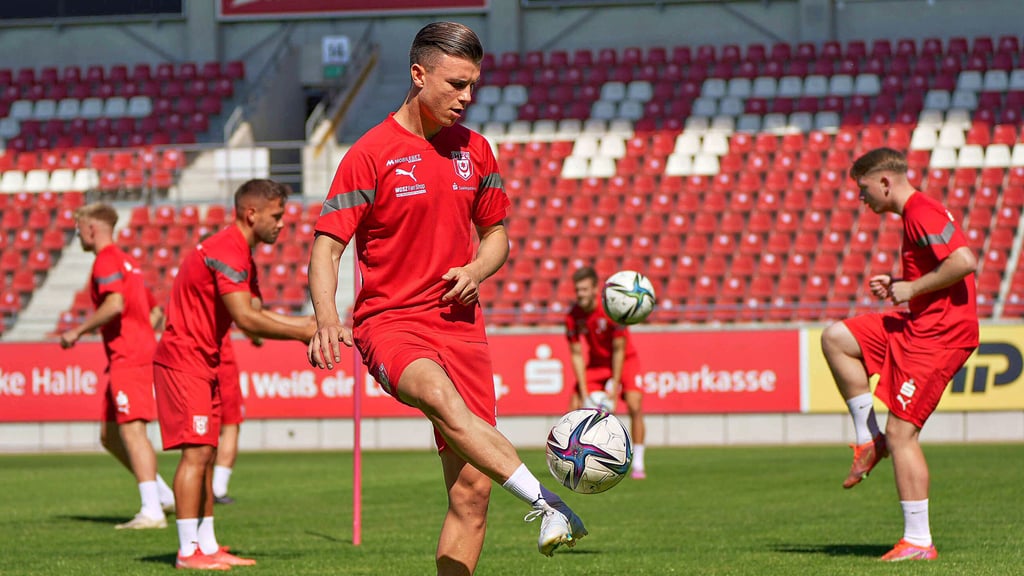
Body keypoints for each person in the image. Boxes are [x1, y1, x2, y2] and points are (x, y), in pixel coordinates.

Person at [307, 21, 586, 575]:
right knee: (438, 395)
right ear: (418, 75)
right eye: (457, 83)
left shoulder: (476, 150)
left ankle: (536, 504)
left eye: (473, 85)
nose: (467, 97)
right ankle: (547, 502)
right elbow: (327, 246)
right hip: (391, 323)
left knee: (471, 496)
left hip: (462, 328)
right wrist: (325, 318)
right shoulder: (370, 153)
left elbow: (498, 236)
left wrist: (477, 270)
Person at [821, 147, 978, 562]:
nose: (862, 197)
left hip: (940, 337)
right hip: (917, 327)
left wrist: (911, 288)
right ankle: (866, 436)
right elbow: (941, 270)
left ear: (885, 182)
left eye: (864, 188)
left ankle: (918, 542)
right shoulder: (914, 215)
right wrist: (899, 284)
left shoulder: (921, 210)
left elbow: (965, 260)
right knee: (837, 338)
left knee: (902, 434)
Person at [153, 179, 316, 570]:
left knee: (206, 454)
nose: (282, 225)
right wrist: (303, 330)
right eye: (277, 216)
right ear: (251, 214)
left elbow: (254, 311)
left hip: (203, 361)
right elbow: (247, 318)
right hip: (184, 361)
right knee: (195, 455)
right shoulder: (227, 249)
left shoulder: (241, 252)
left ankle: (206, 544)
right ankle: (186, 551)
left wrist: (302, 326)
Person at [59, 202, 176, 530]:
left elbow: (115, 303)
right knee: (111, 436)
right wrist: (141, 330)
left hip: (129, 357)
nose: (77, 234)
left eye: (79, 227)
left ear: (92, 228)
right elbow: (155, 312)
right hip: (130, 355)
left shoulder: (106, 260)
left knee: (133, 431)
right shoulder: (128, 262)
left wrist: (77, 331)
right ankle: (163, 495)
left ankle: (152, 511)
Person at [565, 266, 647, 479]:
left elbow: (619, 349)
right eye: (577, 290)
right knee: (574, 407)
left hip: (625, 359)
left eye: (584, 289)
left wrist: (615, 384)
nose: (580, 294)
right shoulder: (573, 316)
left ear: (595, 289)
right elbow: (576, 354)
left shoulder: (611, 309)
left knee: (634, 404)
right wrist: (583, 390)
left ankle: (638, 463)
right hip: (597, 363)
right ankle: (574, 460)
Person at [212, 330, 261, 505]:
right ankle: (218, 488)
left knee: (203, 427)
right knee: (231, 426)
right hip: (221, 361)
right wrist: (255, 336)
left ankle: (200, 485)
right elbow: (247, 315)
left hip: (193, 362)